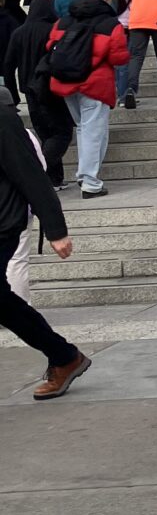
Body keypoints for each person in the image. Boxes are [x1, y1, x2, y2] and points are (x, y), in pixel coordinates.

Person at [0, 89, 89, 397]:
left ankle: (64, 357)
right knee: (3, 302)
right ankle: (64, 356)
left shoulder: (1, 116)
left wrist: (55, 229)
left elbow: (30, 172)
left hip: (3, 222)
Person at [48, 0, 128, 198]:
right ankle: (90, 182)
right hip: (95, 83)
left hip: (65, 80)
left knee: (83, 128)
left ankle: (85, 176)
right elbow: (119, 57)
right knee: (94, 131)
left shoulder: (64, 20)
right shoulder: (111, 24)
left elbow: (50, 45)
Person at [4, 0, 73, 183]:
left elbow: (8, 65)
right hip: (50, 88)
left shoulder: (18, 33)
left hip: (29, 90)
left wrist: (13, 95)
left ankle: (55, 178)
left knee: (45, 133)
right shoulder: (51, 30)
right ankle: (40, 170)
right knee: (61, 133)